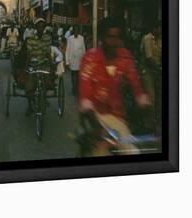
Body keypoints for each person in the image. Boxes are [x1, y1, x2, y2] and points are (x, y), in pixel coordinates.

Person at [79, 17, 151, 156]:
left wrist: (144, 106)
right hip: (93, 116)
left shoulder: (125, 57)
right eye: (109, 37)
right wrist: (98, 128)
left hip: (116, 116)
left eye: (117, 37)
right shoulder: (90, 59)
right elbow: (85, 96)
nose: (114, 42)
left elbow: (136, 86)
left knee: (131, 153)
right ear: (101, 37)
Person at [25, 18, 53, 114]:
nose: (41, 29)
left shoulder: (48, 38)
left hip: (44, 64)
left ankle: (43, 97)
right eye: (39, 27)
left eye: (42, 27)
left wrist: (51, 64)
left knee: (48, 82)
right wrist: (27, 66)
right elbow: (29, 53)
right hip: (33, 64)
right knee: (29, 87)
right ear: (36, 28)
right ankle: (29, 105)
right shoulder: (31, 38)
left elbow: (48, 52)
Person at [141, 23, 162, 123]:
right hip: (148, 70)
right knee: (151, 96)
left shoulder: (160, 40)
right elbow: (149, 57)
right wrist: (158, 69)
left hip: (157, 69)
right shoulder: (148, 38)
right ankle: (150, 121)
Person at [66, 26, 86, 96]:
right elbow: (68, 49)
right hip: (73, 59)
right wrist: (67, 61)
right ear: (73, 31)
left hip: (80, 59)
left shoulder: (81, 38)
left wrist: (84, 59)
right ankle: (74, 88)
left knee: (78, 75)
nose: (76, 33)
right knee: (74, 74)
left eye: (77, 31)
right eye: (75, 31)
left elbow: (83, 49)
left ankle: (77, 88)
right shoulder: (70, 39)